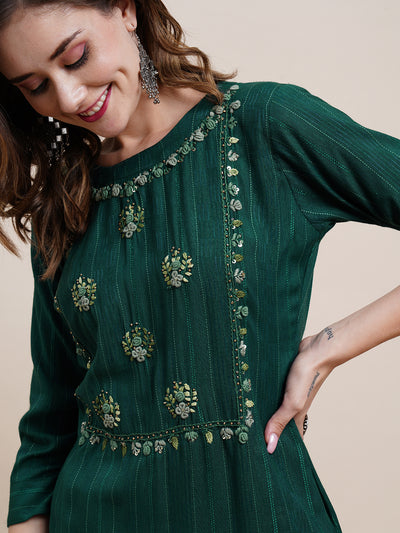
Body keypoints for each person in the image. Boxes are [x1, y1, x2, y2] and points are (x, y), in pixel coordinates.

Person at [1, 0, 400, 531]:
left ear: (125, 9)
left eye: (75, 57)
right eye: (36, 86)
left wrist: (331, 346)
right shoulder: (63, 202)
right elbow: (50, 420)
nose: (68, 97)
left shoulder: (264, 127)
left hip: (251, 509)